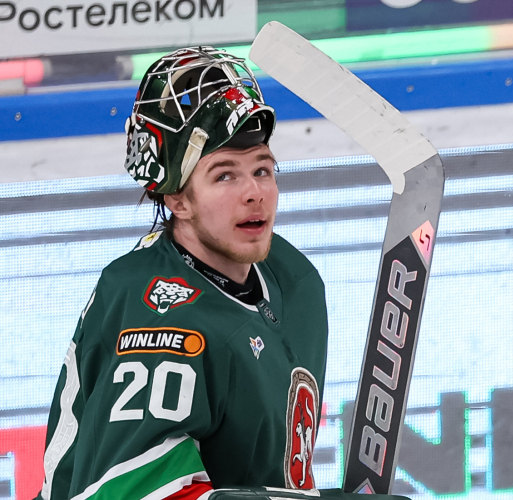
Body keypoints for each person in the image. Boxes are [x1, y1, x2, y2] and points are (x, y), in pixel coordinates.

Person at [35, 47, 408, 500]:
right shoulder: (158, 319)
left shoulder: (293, 278)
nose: (255, 193)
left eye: (263, 169)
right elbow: (140, 494)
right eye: (224, 175)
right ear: (176, 199)